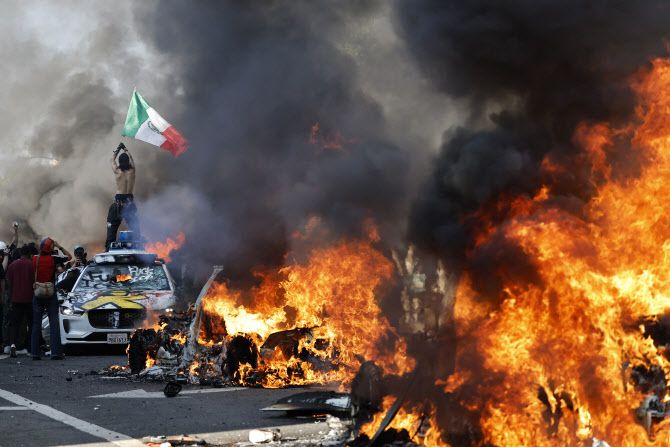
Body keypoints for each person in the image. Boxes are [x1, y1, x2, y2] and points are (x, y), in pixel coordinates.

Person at [32, 237, 71, 360]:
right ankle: (56, 353)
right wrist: (59, 246)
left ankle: (35, 353)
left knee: (36, 324)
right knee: (54, 323)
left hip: (37, 293)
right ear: (51, 249)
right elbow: (69, 257)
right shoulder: (54, 258)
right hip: (50, 293)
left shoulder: (34, 258)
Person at [105, 143, 140, 250]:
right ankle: (138, 249)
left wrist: (118, 149)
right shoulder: (132, 170)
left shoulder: (117, 171)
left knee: (112, 230)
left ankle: (108, 250)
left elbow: (112, 160)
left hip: (118, 204)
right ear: (128, 161)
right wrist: (125, 149)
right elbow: (131, 158)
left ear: (120, 162)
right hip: (129, 204)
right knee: (135, 229)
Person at [6, 245, 34, 357]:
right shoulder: (31, 265)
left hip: (15, 299)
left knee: (15, 324)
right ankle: (30, 347)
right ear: (29, 254)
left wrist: (10, 298)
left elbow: (8, 283)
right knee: (31, 323)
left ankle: (13, 345)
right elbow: (34, 282)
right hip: (29, 299)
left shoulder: (12, 265)